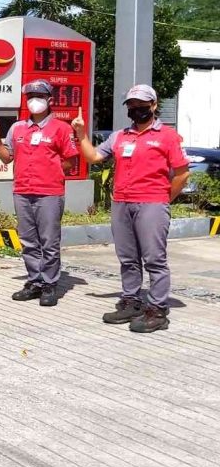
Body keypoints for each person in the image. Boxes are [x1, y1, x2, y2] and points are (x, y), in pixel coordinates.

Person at [72, 85, 190, 333]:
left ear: (154, 105)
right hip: (122, 203)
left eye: (142, 104)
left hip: (152, 203)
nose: (137, 109)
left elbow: (182, 174)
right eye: (132, 105)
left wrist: (162, 199)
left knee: (154, 259)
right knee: (127, 258)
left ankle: (158, 310)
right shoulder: (119, 136)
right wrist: (81, 134)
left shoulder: (168, 136)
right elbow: (93, 157)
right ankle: (131, 301)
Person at [0, 80, 79, 307]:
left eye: (38, 95)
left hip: (49, 193)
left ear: (50, 100)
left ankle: (50, 284)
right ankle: (34, 281)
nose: (33, 100)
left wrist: (51, 171)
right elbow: (6, 157)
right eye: (30, 96)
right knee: (29, 241)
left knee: (49, 241)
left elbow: (70, 159)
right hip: (22, 191)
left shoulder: (61, 128)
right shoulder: (17, 128)